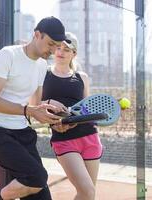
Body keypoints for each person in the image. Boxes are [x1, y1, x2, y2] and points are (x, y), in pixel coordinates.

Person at [0, 16, 68, 200]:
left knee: (41, 195)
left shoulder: (42, 66)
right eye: (50, 44)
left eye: (57, 46)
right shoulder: (8, 55)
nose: (53, 50)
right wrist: (29, 111)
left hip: (21, 133)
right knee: (37, 177)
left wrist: (54, 120)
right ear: (37, 34)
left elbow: (35, 105)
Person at [42, 32, 102, 200]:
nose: (60, 52)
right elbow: (34, 104)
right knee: (88, 191)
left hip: (89, 137)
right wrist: (50, 101)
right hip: (63, 139)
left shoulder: (82, 77)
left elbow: (85, 109)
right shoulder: (43, 74)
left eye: (66, 49)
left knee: (88, 194)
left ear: (73, 54)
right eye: (58, 48)